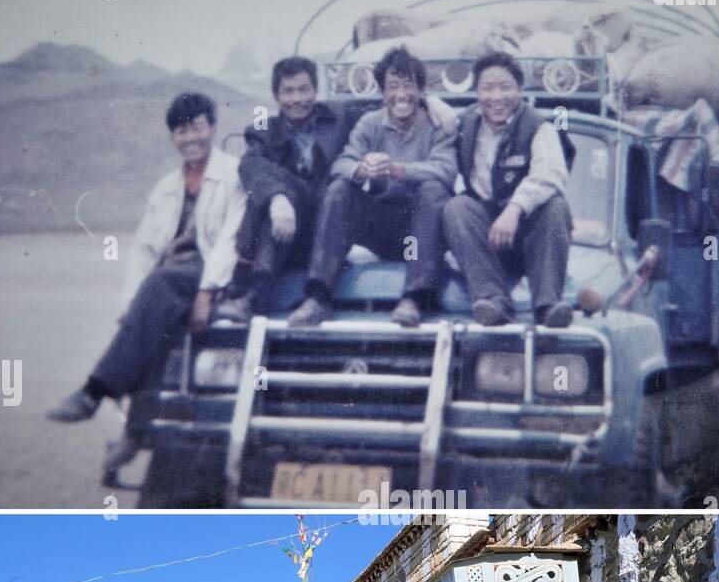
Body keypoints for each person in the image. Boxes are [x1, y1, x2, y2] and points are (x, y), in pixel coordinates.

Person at [47, 92, 245, 425]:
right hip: (170, 279)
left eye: (197, 128)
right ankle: (138, 433)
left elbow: (230, 240)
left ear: (211, 128)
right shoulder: (166, 187)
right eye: (181, 132)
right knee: (155, 329)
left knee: (160, 283)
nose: (190, 138)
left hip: (212, 273)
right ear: (173, 138)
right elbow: (144, 248)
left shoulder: (234, 175)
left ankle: (93, 392)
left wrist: (206, 293)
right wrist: (131, 304)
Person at [288, 46, 457, 329]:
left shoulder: (438, 124)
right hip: (380, 226)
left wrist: (399, 170)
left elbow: (446, 170)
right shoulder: (370, 123)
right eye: (393, 86)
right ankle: (318, 295)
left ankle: (414, 297)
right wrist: (361, 169)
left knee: (433, 190)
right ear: (382, 92)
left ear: (421, 90)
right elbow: (342, 163)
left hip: (417, 237)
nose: (401, 94)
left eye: (408, 85)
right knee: (341, 189)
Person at [220, 57, 363, 320]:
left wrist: (428, 103)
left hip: (331, 232)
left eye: (303, 89)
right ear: (276, 95)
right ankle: (258, 290)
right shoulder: (263, 130)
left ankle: (253, 294)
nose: (297, 99)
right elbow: (249, 163)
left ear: (315, 90)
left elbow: (385, 114)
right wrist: (277, 198)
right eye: (288, 91)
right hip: (286, 236)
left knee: (283, 185)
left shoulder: (340, 117)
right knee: (267, 182)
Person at [443, 52, 574, 328]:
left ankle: (547, 305)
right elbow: (431, 116)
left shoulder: (539, 126)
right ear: (476, 91)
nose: (496, 97)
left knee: (555, 205)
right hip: (488, 236)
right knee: (456, 207)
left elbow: (550, 173)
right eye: (487, 88)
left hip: (529, 232)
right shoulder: (465, 124)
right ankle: (493, 301)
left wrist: (515, 210)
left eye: (505, 87)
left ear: (519, 90)